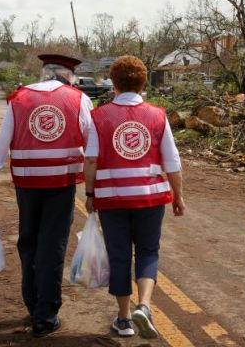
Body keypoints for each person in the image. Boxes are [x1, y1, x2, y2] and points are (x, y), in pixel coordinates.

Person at [0, 54, 93, 338]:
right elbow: (93, 144)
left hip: (27, 183)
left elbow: (3, 139)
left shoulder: (20, 98)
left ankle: (33, 303)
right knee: (52, 245)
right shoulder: (77, 98)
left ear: (45, 73)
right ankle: (46, 315)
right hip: (61, 183)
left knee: (29, 241)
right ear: (67, 75)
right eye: (73, 78)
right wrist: (97, 183)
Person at [83, 55, 185, 340]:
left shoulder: (99, 116)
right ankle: (145, 305)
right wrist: (178, 196)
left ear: (113, 83)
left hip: (112, 200)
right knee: (148, 251)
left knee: (119, 256)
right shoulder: (158, 116)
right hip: (150, 200)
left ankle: (124, 319)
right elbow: (173, 162)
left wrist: (89, 194)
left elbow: (90, 160)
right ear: (143, 83)